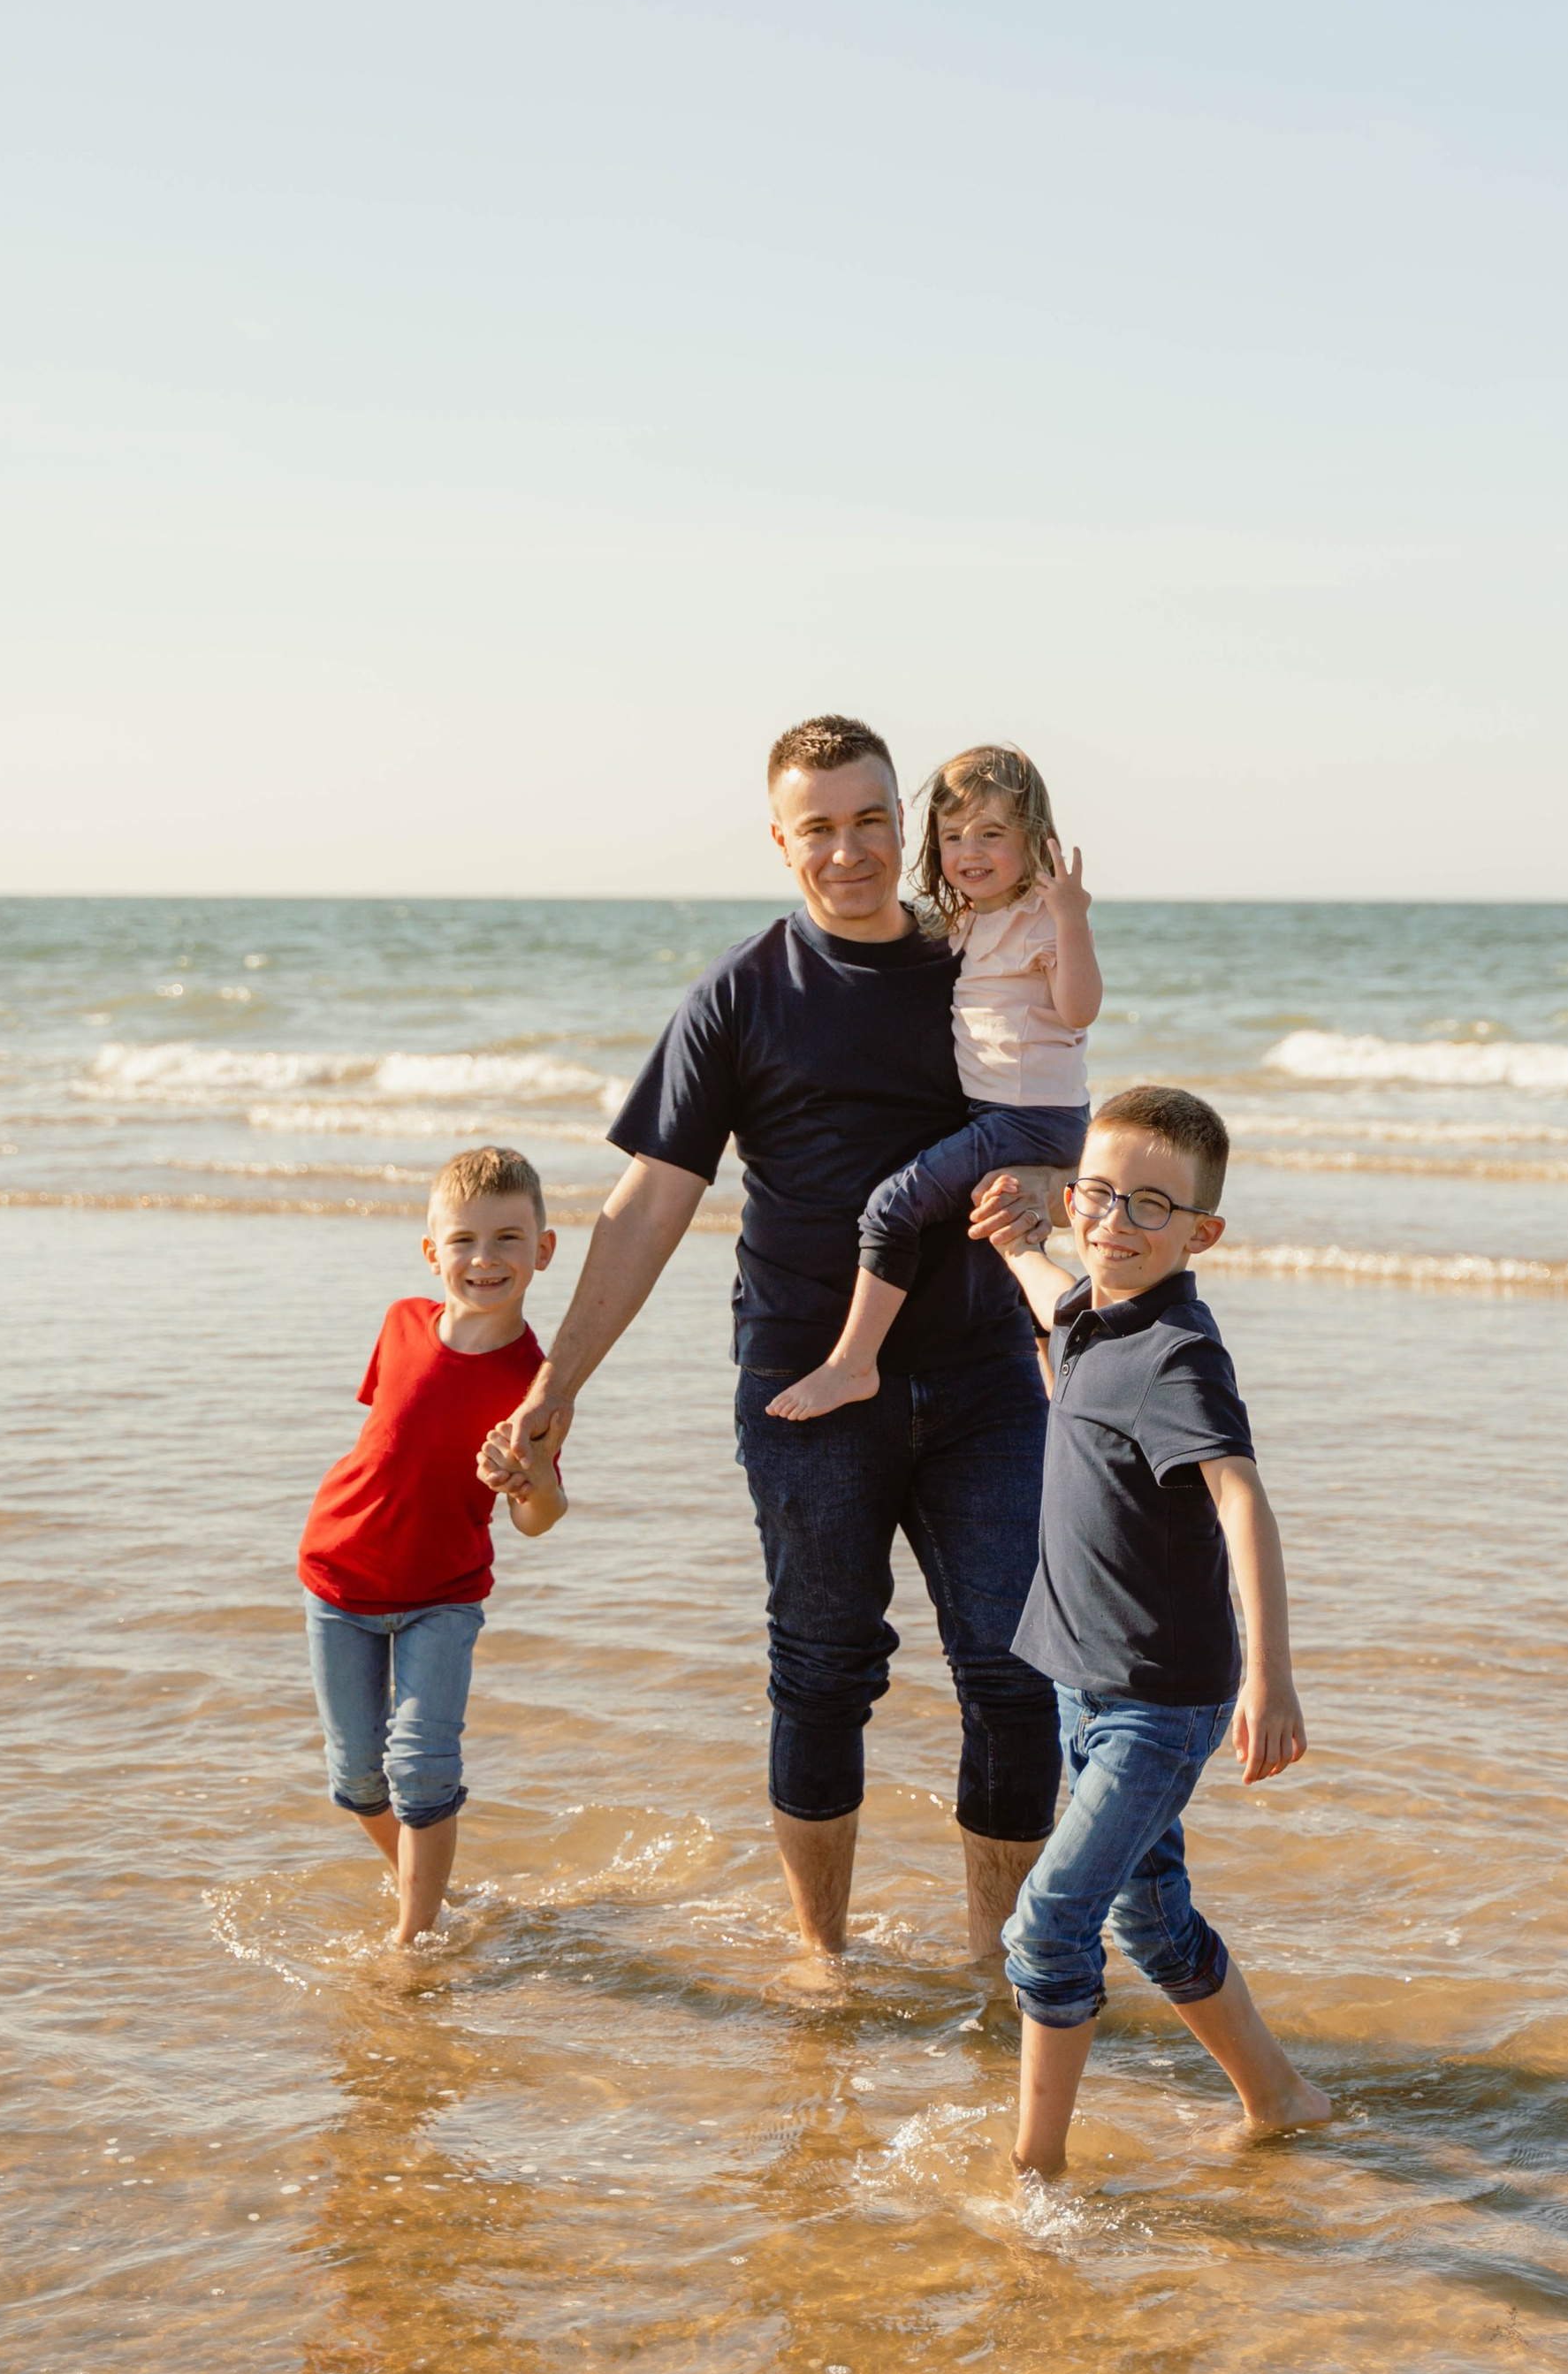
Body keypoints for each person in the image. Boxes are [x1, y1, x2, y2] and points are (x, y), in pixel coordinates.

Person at [483, 715, 1065, 1988]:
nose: (850, 852)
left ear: (900, 819)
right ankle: (822, 1954)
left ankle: (992, 1964)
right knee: (820, 1667)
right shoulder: (740, 996)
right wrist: (556, 1382)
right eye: (820, 829)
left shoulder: (978, 953)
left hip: (983, 1380)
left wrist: (1054, 1204)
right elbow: (647, 1204)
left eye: (871, 821)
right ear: (780, 840)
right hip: (806, 1390)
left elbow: (1053, 1109)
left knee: (1015, 1675)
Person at [970, 1084, 1335, 2172]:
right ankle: (1280, 2099)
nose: (1114, 1223)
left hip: (1160, 1701)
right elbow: (1051, 1295)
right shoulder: (1091, 1307)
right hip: (1079, 1681)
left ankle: (1034, 2172)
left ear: (1201, 1233)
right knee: (1150, 1920)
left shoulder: (1179, 1355)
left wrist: (1271, 1681)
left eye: (1149, 1207)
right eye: (1099, 1195)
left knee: (1046, 1924)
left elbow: (1240, 1500)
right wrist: (1015, 1238)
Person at [765, 743, 1100, 1423]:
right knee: (1008, 1235)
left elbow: (1080, 1008)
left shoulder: (1042, 914)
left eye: (991, 833)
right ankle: (1064, 1367)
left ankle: (853, 1364)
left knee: (893, 1207)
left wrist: (1071, 917)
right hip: (997, 1113)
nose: (969, 851)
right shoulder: (970, 919)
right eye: (952, 836)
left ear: (1034, 839)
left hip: (1030, 1116)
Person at [301, 1146, 566, 1949]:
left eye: (509, 1239)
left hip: (443, 1596)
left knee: (422, 1771)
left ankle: (412, 1943)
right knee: (355, 1780)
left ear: (543, 1251)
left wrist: (525, 1482)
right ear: (432, 1252)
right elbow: (385, 1438)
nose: (484, 1259)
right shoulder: (400, 1322)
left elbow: (540, 1517)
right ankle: (435, 1890)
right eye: (464, 1240)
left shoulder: (540, 1385)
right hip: (338, 1578)